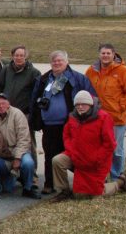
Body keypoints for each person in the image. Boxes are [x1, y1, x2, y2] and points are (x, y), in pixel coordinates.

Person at [30, 50, 95, 194]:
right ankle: (50, 183)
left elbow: (93, 99)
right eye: (54, 61)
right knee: (50, 155)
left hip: (72, 125)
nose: (57, 63)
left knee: (73, 154)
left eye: (60, 60)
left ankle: (89, 180)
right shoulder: (43, 79)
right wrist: (36, 121)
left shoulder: (78, 79)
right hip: (49, 125)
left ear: (67, 62)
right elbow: (35, 100)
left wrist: (86, 120)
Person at [51, 91, 126, 202]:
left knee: (96, 194)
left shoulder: (104, 117)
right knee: (57, 161)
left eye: (83, 104)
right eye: (77, 104)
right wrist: (72, 152)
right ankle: (63, 191)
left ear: (90, 104)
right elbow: (67, 136)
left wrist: (97, 158)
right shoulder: (73, 117)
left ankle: (120, 182)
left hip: (97, 162)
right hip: (77, 157)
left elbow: (109, 144)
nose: (80, 107)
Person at [85, 43, 126, 179]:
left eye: (108, 53)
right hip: (96, 118)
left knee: (116, 150)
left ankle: (117, 178)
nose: (105, 56)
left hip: (116, 119)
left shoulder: (123, 71)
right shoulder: (91, 71)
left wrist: (120, 107)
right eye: (103, 53)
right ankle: (100, 175)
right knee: (97, 148)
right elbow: (85, 89)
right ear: (99, 54)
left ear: (114, 55)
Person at [0, 93, 40, 199]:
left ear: (8, 104)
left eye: (3, 103)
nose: (1, 106)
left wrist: (18, 157)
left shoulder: (18, 114)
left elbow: (24, 140)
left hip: (19, 150)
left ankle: (28, 188)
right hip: (1, 154)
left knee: (28, 163)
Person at [0, 45, 41, 116]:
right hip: (5, 111)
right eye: (16, 55)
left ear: (25, 57)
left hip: (23, 113)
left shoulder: (34, 73)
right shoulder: (6, 70)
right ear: (12, 56)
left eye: (21, 55)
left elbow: (36, 94)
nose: (19, 58)